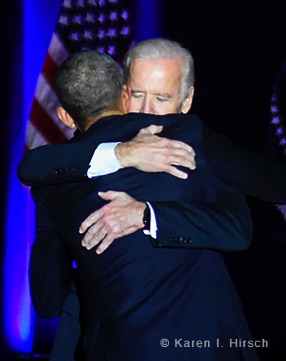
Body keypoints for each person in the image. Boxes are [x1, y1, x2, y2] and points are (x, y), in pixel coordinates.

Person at [18, 49, 258, 360]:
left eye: (160, 97)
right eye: (140, 95)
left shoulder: (51, 184)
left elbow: (48, 300)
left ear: (63, 115)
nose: (148, 107)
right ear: (125, 94)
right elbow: (237, 231)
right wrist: (122, 154)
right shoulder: (189, 140)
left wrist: (145, 216)